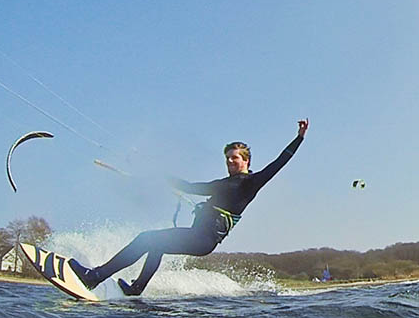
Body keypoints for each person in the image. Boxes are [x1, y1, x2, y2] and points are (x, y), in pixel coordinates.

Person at [70, 119, 309, 296]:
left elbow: (280, 162)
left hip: (203, 240)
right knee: (156, 245)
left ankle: (95, 276)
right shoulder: (220, 184)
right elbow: (190, 186)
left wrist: (298, 138)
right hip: (198, 238)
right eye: (227, 157)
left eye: (235, 157)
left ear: (246, 160)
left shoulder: (251, 183)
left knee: (146, 239)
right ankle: (136, 289)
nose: (229, 161)